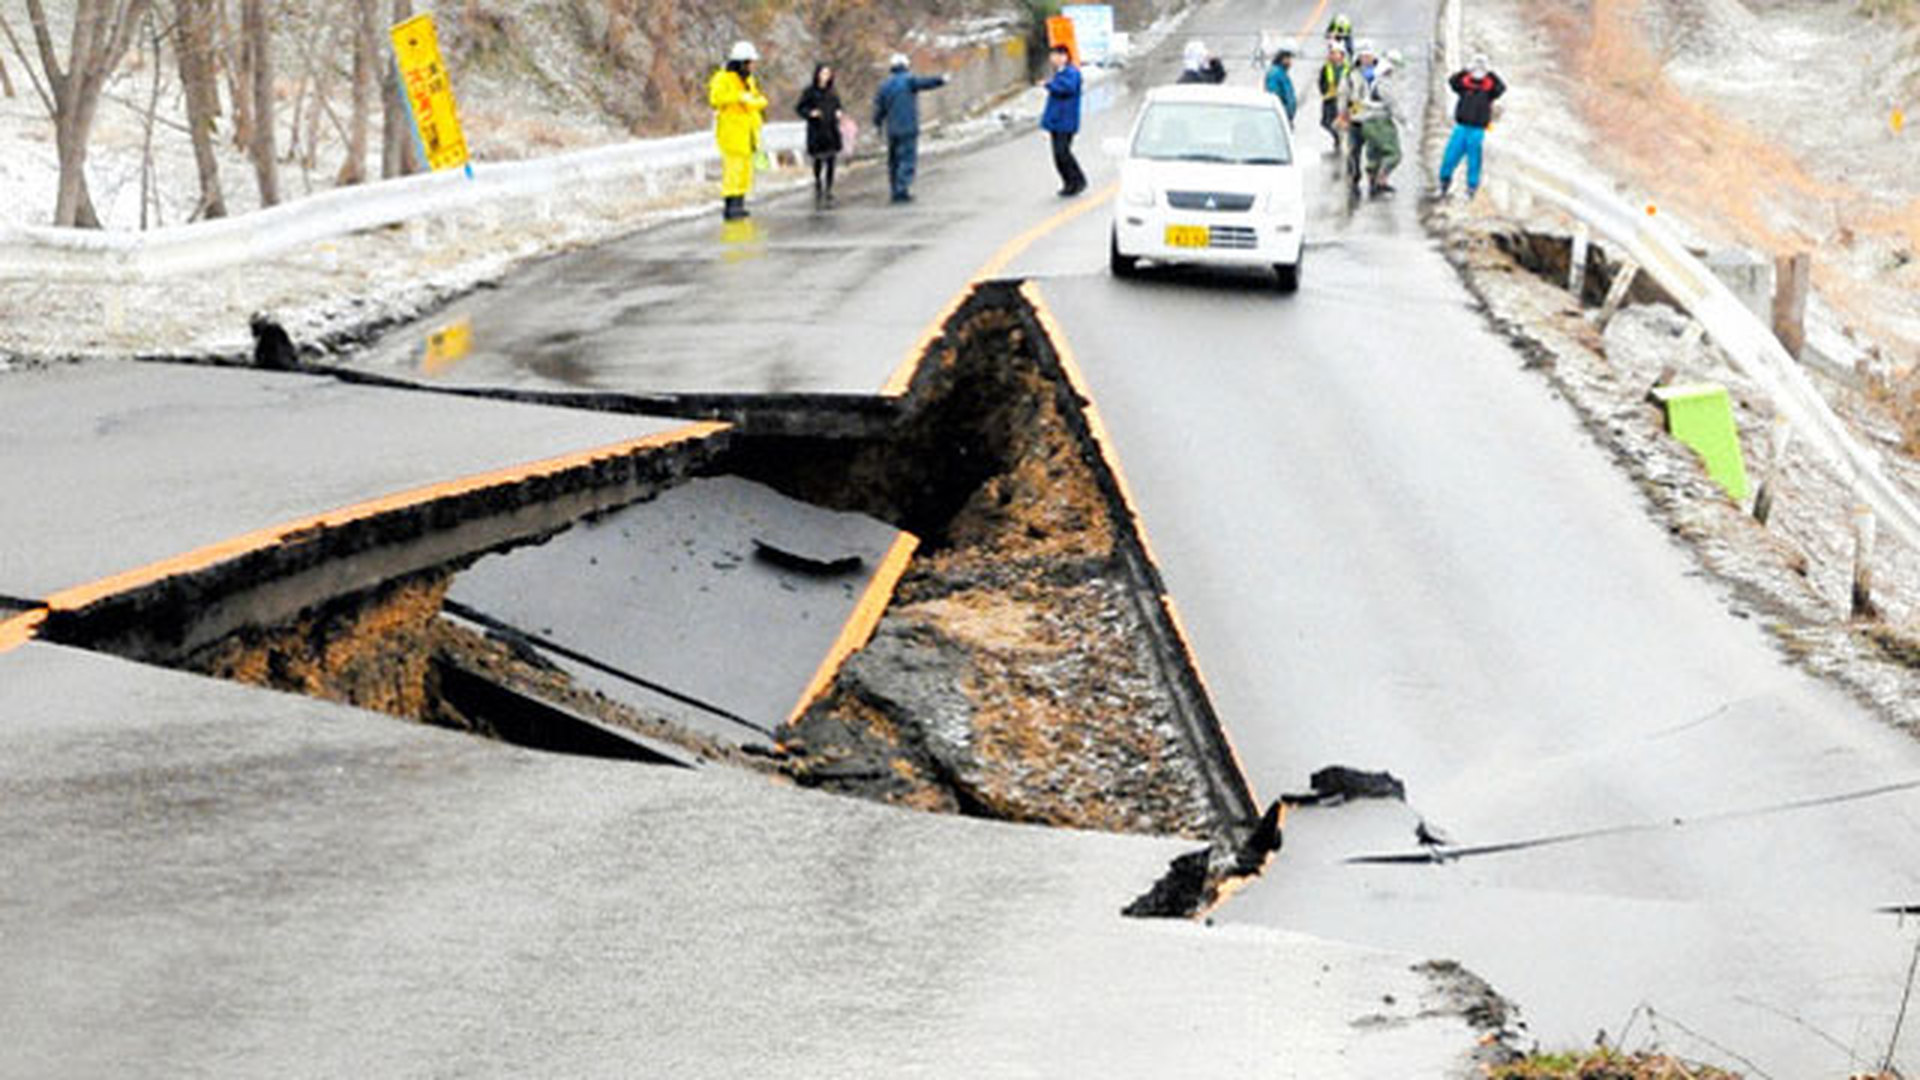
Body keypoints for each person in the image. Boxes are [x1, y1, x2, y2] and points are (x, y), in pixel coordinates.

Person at [873, 52, 946, 203]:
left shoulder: (884, 85)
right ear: (906, 66)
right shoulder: (908, 80)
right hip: (908, 127)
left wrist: (877, 124)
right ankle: (901, 189)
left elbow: (879, 108)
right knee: (907, 159)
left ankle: (894, 188)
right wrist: (941, 80)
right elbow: (925, 83)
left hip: (892, 129)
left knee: (894, 160)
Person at [708, 41, 768, 221]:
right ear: (741, 62)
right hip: (732, 131)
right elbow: (716, 98)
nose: (752, 66)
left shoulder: (749, 80)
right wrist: (738, 98)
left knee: (744, 169)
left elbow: (758, 100)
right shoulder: (722, 78)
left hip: (748, 131)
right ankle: (731, 204)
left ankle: (740, 202)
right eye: (750, 62)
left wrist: (751, 101)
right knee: (733, 169)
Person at [1439, 53, 1506, 199]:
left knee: (1474, 160)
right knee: (1450, 156)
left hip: (1477, 129)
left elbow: (1501, 88)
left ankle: (1471, 188)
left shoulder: (1489, 89)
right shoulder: (1464, 84)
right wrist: (1466, 69)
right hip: (1461, 127)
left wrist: (1490, 72)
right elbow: (1452, 81)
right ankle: (1444, 182)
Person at [1041, 44, 1087, 197]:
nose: (1052, 59)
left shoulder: (1071, 73)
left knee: (1063, 153)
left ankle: (1078, 181)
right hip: (1057, 121)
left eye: (1055, 55)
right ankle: (1069, 183)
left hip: (1066, 121)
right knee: (1058, 155)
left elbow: (1067, 88)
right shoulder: (1059, 73)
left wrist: (1049, 84)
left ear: (1064, 57)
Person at [796, 64, 844, 207]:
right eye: (823, 73)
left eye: (828, 73)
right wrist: (811, 113)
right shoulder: (810, 92)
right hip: (817, 129)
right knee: (818, 159)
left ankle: (829, 188)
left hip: (831, 128)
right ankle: (818, 183)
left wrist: (839, 112)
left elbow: (838, 105)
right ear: (817, 74)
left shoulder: (832, 91)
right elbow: (800, 108)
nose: (825, 76)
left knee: (831, 159)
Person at [1360, 49, 1406, 195]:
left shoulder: (1373, 79)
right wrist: (1404, 122)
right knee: (1393, 153)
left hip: (1367, 121)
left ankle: (1372, 181)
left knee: (1374, 153)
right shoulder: (1385, 83)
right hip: (1380, 122)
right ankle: (1381, 180)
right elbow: (1393, 104)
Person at [1336, 41, 1379, 191]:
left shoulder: (1379, 74)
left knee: (1375, 152)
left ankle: (1374, 179)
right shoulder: (1350, 76)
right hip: (1356, 119)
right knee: (1354, 151)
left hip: (1375, 120)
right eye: (1364, 56)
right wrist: (1343, 115)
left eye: (1369, 56)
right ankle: (1354, 177)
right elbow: (1343, 96)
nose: (1367, 59)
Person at [1317, 40, 1350, 153]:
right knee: (1326, 122)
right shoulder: (1326, 68)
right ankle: (1337, 137)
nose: (1334, 56)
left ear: (1342, 55)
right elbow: (1321, 82)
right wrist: (1325, 91)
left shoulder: (1348, 69)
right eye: (1332, 53)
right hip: (1329, 100)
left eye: (1336, 53)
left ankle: (1341, 140)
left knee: (1340, 121)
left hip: (1342, 100)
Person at [1264, 41, 1298, 122]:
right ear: (1282, 58)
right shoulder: (1275, 74)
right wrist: (1284, 113)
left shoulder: (1281, 73)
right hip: (1280, 119)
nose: (1290, 62)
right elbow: (1274, 97)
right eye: (1288, 58)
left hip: (1284, 118)